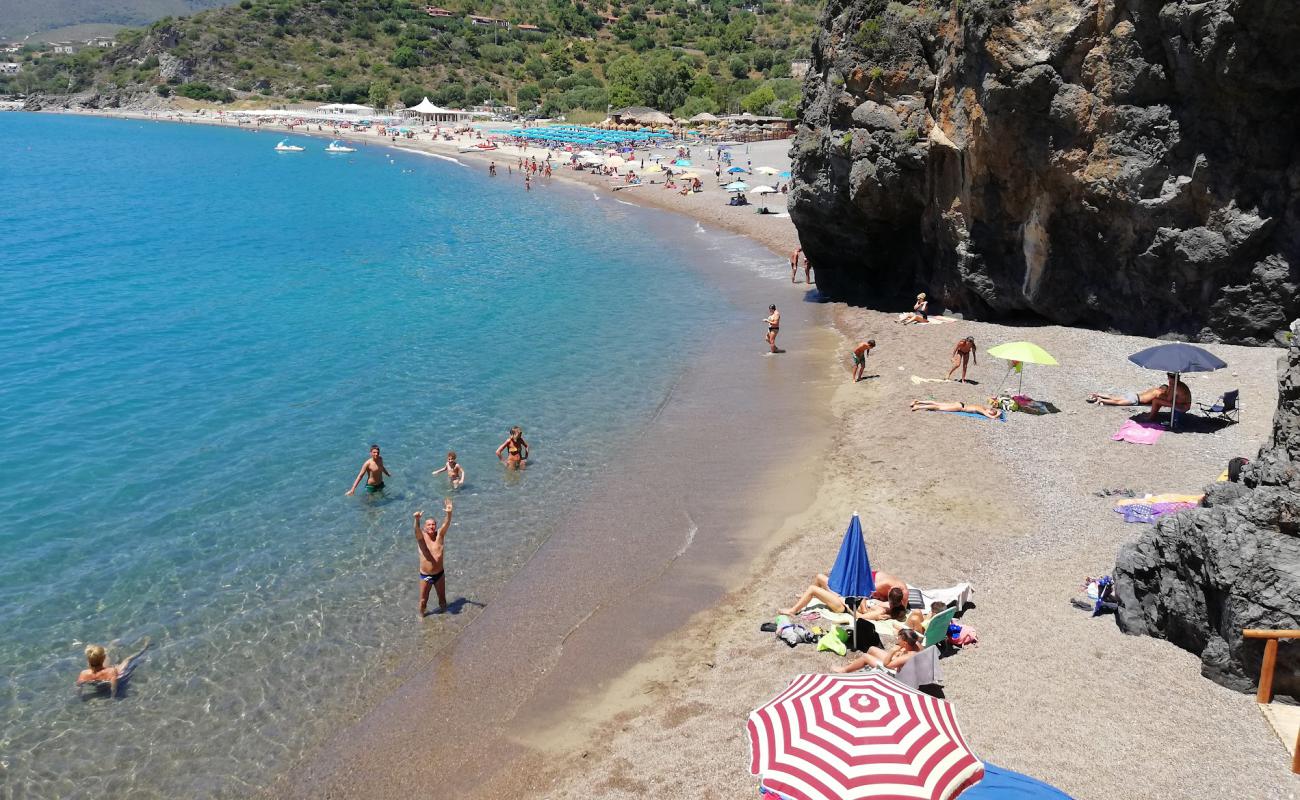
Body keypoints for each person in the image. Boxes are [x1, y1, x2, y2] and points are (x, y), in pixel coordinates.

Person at [779, 571, 908, 617]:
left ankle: (793, 610)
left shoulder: (880, 612)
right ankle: (804, 597)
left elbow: (860, 616)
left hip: (841, 604)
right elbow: (864, 594)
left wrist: (862, 609)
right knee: (819, 577)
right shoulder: (883, 604)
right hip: (845, 595)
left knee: (813, 589)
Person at [413, 499, 454, 617]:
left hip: (439, 574)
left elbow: (446, 524)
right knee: (423, 601)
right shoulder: (421, 537)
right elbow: (416, 530)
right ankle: (422, 618)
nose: (431, 526)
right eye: (429, 525)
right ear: (425, 527)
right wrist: (416, 520)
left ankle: (445, 619)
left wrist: (449, 513)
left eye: (433, 524)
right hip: (426, 575)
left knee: (442, 601)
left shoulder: (439, 535)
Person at [1088, 375, 1192, 417]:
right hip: (1135, 399)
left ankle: (1098, 394)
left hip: (1134, 394)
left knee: (1115, 397)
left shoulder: (1155, 390)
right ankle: (1101, 399)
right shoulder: (1159, 393)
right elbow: (1167, 399)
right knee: (1117, 402)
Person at [77, 638, 150, 697]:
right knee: (128, 659)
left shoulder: (83, 673)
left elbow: (79, 687)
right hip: (115, 674)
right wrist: (112, 698)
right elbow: (113, 689)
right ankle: (145, 648)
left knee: (112, 661)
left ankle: (110, 646)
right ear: (103, 659)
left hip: (98, 679)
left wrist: (80, 696)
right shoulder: (111, 671)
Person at [831, 627, 924, 673]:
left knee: (865, 657)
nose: (897, 639)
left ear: (905, 643)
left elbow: (886, 664)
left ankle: (844, 670)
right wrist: (900, 653)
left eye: (899, 639)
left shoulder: (908, 656)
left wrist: (892, 651)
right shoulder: (916, 644)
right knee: (872, 649)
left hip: (898, 675)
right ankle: (858, 664)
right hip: (902, 665)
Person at [910, 398, 1003, 419]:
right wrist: (997, 414)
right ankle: (918, 407)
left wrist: (997, 410)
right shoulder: (983, 410)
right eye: (992, 412)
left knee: (937, 403)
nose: (990, 413)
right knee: (938, 407)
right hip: (959, 407)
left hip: (960, 403)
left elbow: (992, 407)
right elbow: (991, 417)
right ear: (990, 411)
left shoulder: (983, 406)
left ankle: (917, 401)